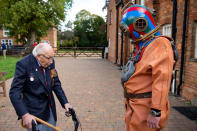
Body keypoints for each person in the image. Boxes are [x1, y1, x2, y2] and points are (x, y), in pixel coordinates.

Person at [120, 5, 176, 131]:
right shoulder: (144, 44)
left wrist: (156, 111)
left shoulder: (160, 44)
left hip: (146, 108)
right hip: (135, 105)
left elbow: (162, 80)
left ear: (140, 24)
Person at [9, 43, 73, 131]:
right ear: (39, 56)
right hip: (35, 113)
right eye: (49, 58)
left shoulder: (50, 63)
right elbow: (14, 93)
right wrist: (25, 115)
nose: (51, 61)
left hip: (50, 109)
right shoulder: (24, 64)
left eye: (52, 57)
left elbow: (56, 83)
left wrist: (65, 102)